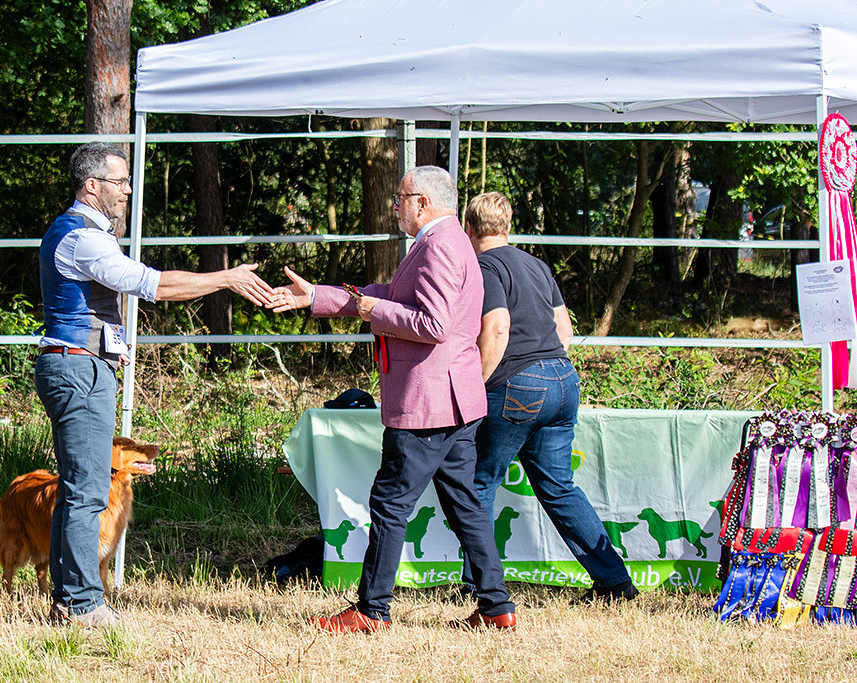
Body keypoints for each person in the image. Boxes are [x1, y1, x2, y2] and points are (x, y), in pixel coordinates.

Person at [36, 142, 275, 628]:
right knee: (87, 491)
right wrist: (224, 278)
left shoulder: (85, 233)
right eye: (120, 181)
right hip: (78, 370)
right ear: (92, 186)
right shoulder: (82, 237)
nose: (128, 190)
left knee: (78, 487)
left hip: (79, 366)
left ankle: (68, 599)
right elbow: (154, 286)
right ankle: (82, 604)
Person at [273, 166, 516, 632]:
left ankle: (372, 610)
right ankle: (495, 605)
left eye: (400, 198)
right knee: (465, 504)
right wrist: (318, 296)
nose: (395, 206)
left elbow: (432, 324)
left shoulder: (439, 246)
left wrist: (373, 311)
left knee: (390, 503)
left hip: (428, 402)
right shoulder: (447, 240)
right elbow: (393, 295)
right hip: (453, 400)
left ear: (422, 202)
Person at [463, 191, 637, 603]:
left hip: (516, 384)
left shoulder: (484, 267)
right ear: (508, 226)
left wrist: (477, 386)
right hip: (562, 379)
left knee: (480, 484)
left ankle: (479, 589)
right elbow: (565, 331)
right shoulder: (537, 265)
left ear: (468, 228)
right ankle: (614, 581)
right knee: (560, 487)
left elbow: (497, 329)